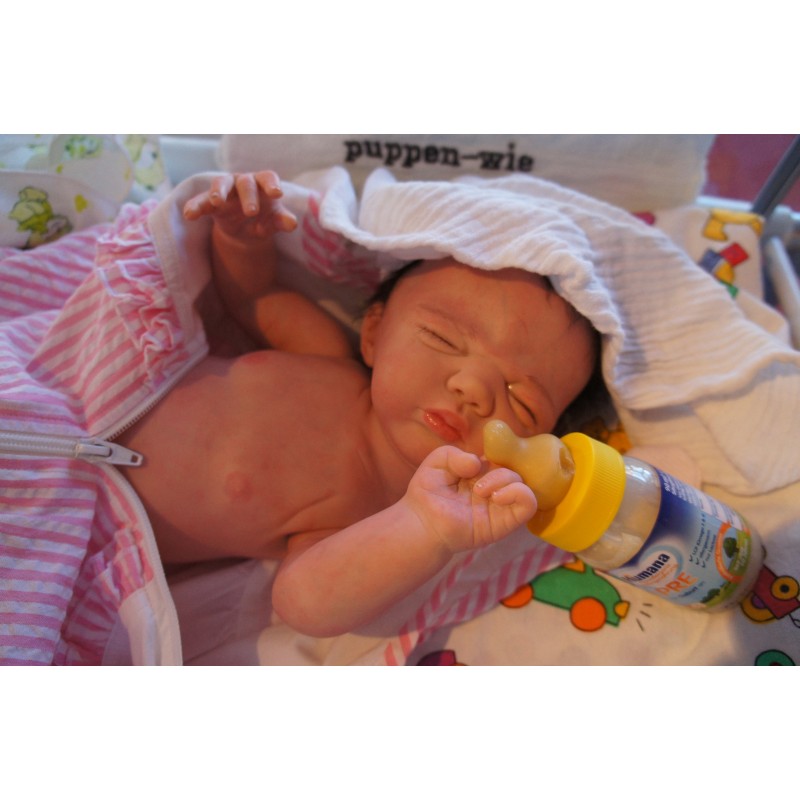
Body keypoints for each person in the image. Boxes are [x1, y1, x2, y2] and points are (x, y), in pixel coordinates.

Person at [117, 171, 599, 638]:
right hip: (97, 383)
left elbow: (303, 603)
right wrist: (243, 238)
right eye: (442, 338)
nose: (474, 387)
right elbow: (252, 297)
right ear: (373, 334)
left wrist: (426, 527)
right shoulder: (326, 356)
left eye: (522, 401)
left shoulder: (373, 516)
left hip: (94, 517)